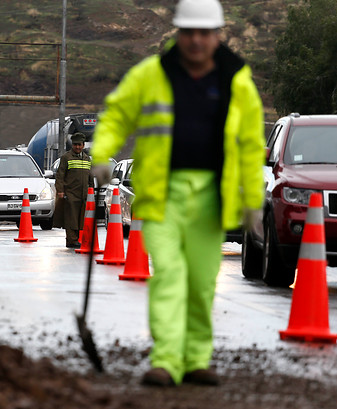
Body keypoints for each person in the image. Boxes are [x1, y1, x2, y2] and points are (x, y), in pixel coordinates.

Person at [90, 0, 265, 387]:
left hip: (211, 198)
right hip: (162, 196)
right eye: (190, 33)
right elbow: (117, 113)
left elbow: (252, 147)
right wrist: (101, 154)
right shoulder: (151, 75)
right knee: (169, 275)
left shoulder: (237, 81)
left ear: (218, 35)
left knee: (202, 282)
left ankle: (196, 358)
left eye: (204, 33)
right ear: (179, 34)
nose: (197, 41)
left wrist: (253, 200)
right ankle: (166, 360)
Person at [54, 132, 93, 249]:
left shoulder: (87, 159)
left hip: (84, 194)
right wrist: (60, 191)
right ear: (72, 145)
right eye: (75, 144)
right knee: (71, 218)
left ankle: (74, 239)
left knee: (80, 218)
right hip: (70, 194)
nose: (77, 147)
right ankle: (71, 240)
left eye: (80, 145)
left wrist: (91, 191)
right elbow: (60, 176)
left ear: (83, 145)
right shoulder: (66, 158)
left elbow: (90, 177)